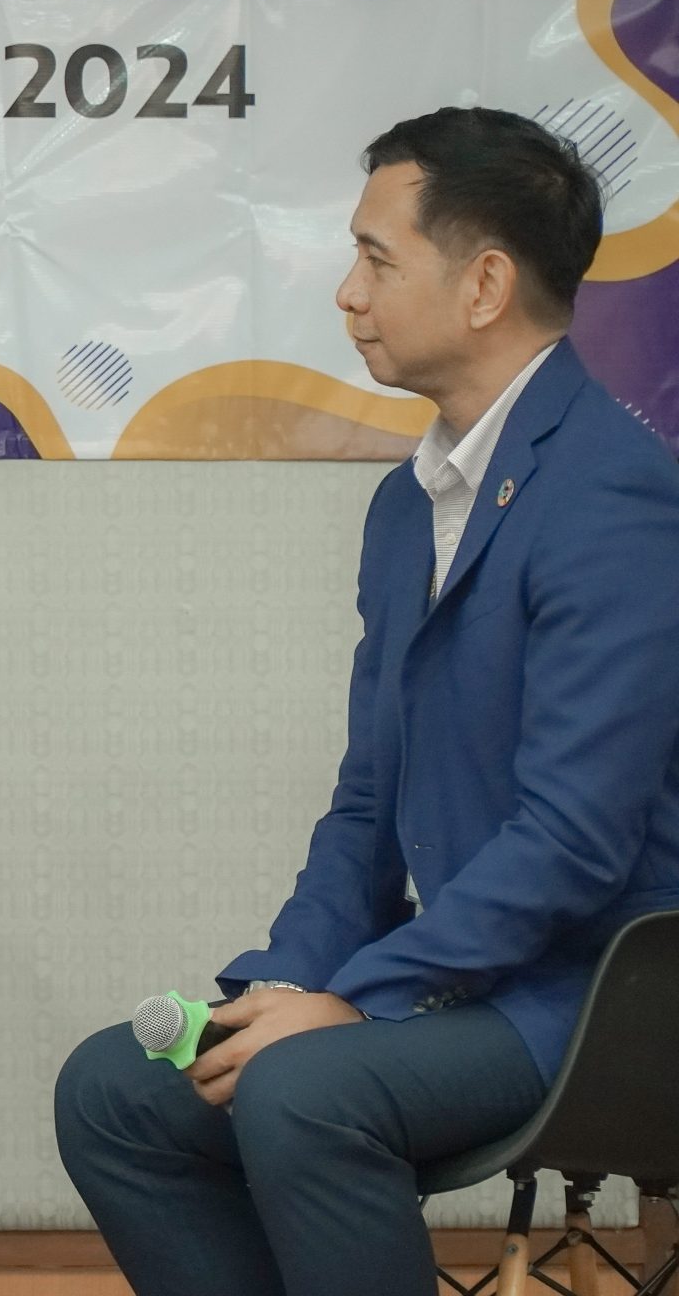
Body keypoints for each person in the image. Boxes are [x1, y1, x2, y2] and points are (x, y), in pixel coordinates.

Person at [54, 108, 679, 1296]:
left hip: (604, 997)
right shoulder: (408, 507)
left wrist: (357, 1001)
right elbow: (366, 805)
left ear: (483, 283)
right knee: (115, 1090)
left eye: (376, 259)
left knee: (302, 1088)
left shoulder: (611, 495)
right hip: (469, 980)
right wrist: (285, 986)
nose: (347, 293)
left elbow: (573, 840)